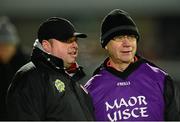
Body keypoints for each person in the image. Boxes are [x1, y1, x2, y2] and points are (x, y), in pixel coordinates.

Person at [84, 9, 180, 121]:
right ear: (105, 45)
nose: (127, 43)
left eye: (131, 36)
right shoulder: (91, 89)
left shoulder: (161, 79)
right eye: (119, 37)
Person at [6, 17, 94, 120]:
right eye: (67, 40)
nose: (74, 45)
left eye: (75, 40)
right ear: (46, 45)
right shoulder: (31, 77)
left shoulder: (73, 79)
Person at [0, 16, 29, 120]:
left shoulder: (28, 61)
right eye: (0, 47)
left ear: (15, 45)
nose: (3, 51)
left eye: (7, 46)